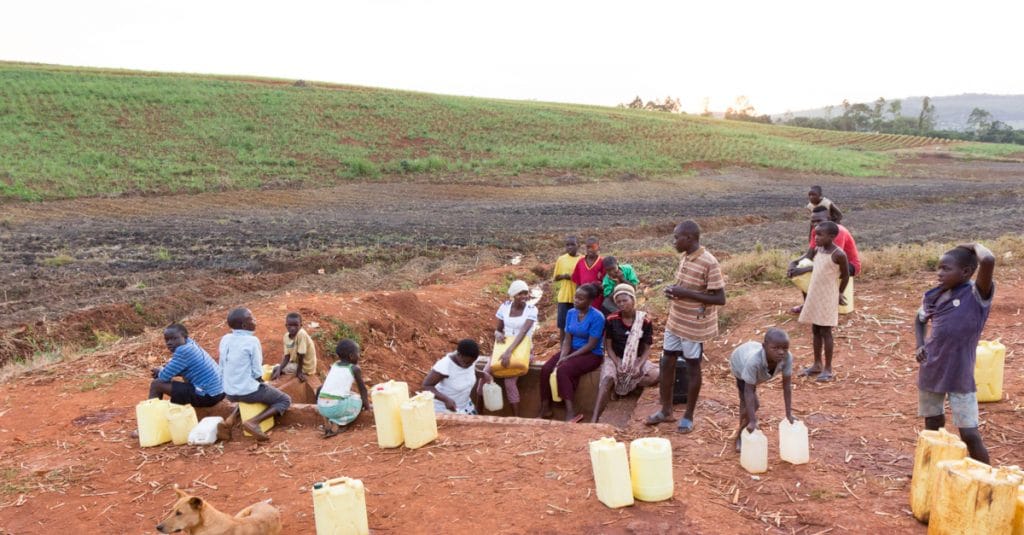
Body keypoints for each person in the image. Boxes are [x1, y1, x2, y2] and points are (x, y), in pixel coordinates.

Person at [914, 243, 995, 463]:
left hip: (961, 374)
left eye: (946, 269)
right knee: (933, 427)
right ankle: (930, 471)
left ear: (966, 272)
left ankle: (986, 478)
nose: (939, 273)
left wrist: (973, 245)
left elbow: (987, 260)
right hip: (932, 367)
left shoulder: (977, 294)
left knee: (969, 433)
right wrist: (920, 345)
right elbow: (919, 319)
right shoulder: (934, 295)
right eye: (938, 268)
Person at [646, 221, 725, 433]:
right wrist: (674, 291)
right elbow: (686, 287)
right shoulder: (685, 257)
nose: (673, 241)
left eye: (676, 237)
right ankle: (666, 410)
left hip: (694, 325)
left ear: (689, 238)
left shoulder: (709, 262)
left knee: (692, 367)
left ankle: (688, 415)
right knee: (666, 362)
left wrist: (685, 294)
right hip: (676, 320)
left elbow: (719, 297)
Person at [217, 307, 292, 442]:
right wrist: (262, 382)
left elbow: (222, 365)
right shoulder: (252, 341)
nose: (255, 320)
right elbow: (257, 371)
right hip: (246, 392)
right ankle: (254, 422)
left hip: (228, 391)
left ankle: (229, 420)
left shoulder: (225, 339)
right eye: (252, 318)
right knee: (284, 400)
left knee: (245, 390)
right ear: (245, 325)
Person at [538, 283, 605, 423]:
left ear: (590, 301)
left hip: (591, 354)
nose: (576, 300)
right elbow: (567, 339)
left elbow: (591, 344)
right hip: (572, 349)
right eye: (575, 297)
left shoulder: (598, 317)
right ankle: (545, 407)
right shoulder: (571, 313)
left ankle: (570, 413)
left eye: (581, 299)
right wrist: (562, 356)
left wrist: (568, 358)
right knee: (546, 369)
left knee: (563, 370)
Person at [591, 284, 658, 423]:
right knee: (606, 379)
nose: (621, 304)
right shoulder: (611, 319)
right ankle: (595, 416)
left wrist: (639, 365)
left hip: (636, 358)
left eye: (625, 300)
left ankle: (630, 387)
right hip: (615, 357)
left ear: (633, 300)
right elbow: (608, 346)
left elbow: (646, 348)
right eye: (618, 301)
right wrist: (617, 363)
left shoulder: (644, 320)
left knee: (655, 375)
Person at [797, 221, 849, 382]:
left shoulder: (838, 254)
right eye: (815, 234)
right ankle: (817, 364)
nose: (816, 238)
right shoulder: (817, 249)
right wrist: (794, 265)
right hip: (815, 294)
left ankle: (828, 368)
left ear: (832, 236)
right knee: (815, 329)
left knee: (826, 331)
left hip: (828, 296)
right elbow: (808, 261)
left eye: (820, 235)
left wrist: (839, 293)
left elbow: (845, 276)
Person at [730, 329, 794, 452]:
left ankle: (748, 424)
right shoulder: (753, 362)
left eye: (785, 348)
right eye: (775, 348)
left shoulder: (787, 357)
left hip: (753, 360)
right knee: (751, 404)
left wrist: (788, 414)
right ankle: (740, 436)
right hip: (740, 362)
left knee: (752, 406)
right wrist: (753, 420)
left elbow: (787, 387)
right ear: (764, 347)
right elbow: (748, 391)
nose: (781, 352)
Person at [788, 206, 860, 314]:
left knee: (807, 270)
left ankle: (823, 304)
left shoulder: (836, 232)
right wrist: (793, 263)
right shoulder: (817, 231)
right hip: (831, 262)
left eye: (819, 220)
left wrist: (805, 270)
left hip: (849, 265)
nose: (816, 224)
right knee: (803, 264)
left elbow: (832, 262)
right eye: (813, 221)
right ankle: (809, 304)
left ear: (829, 218)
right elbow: (810, 254)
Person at [481, 280, 537, 416]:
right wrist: (498, 334)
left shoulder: (531, 309)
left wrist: (509, 352)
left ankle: (515, 417)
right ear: (513, 295)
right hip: (504, 348)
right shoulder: (505, 307)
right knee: (485, 373)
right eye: (520, 293)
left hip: (523, 350)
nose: (523, 296)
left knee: (509, 381)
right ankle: (478, 410)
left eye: (525, 293)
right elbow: (498, 329)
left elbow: (523, 332)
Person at [149, 323, 225, 408]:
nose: (169, 343)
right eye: (167, 339)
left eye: (174, 338)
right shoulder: (190, 344)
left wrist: (160, 371)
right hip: (220, 391)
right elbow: (179, 369)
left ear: (185, 337)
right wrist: (164, 370)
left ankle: (152, 415)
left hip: (208, 395)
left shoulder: (183, 351)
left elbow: (164, 377)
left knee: (156, 384)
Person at [317, 339, 370, 438]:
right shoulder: (354, 368)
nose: (359, 355)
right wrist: (366, 406)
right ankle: (337, 424)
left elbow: (322, 388)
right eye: (358, 353)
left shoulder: (335, 365)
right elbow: (363, 389)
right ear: (351, 356)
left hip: (321, 406)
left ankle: (326, 421)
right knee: (358, 400)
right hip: (336, 408)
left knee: (345, 395)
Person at [423, 339, 486, 414]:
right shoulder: (445, 366)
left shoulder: (469, 360)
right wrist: (446, 399)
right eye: (467, 363)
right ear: (459, 355)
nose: (469, 365)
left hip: (465, 406)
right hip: (445, 410)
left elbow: (469, 372)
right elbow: (426, 386)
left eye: (472, 363)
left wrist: (483, 374)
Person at [271, 312, 317, 383]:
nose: (292, 328)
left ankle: (271, 384)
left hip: (306, 367)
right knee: (277, 368)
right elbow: (287, 356)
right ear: (286, 325)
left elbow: (301, 355)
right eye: (290, 325)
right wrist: (279, 369)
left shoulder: (301, 334)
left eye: (296, 325)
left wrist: (299, 372)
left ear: (301, 326)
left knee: (275, 368)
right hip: (297, 363)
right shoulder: (286, 337)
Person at [552, 236, 581, 338]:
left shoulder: (582, 260)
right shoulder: (561, 259)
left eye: (572, 244)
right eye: (567, 245)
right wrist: (564, 276)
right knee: (563, 325)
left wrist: (573, 277)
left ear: (578, 245)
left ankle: (575, 349)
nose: (569, 247)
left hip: (579, 297)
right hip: (564, 297)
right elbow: (555, 277)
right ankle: (563, 350)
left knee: (577, 324)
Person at [571, 236, 606, 311]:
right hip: (583, 297)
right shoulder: (580, 262)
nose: (590, 249)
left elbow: (605, 282)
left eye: (593, 247)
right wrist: (577, 296)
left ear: (598, 248)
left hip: (597, 299)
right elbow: (578, 282)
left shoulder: (602, 262)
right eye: (588, 247)